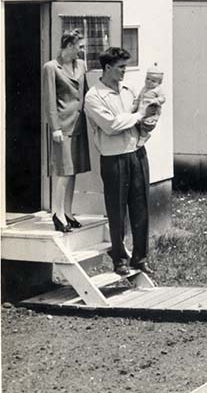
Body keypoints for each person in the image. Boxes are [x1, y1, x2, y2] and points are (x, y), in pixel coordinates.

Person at [84, 46, 156, 276]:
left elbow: (135, 120)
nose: (125, 71)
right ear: (107, 68)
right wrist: (138, 116)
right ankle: (120, 259)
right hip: (114, 158)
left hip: (137, 153)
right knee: (116, 209)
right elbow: (111, 126)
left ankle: (140, 258)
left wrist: (147, 121)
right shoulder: (94, 96)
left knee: (141, 207)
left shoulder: (128, 90)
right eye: (121, 67)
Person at [41, 30, 91, 232]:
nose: (82, 50)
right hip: (62, 127)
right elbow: (50, 100)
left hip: (79, 124)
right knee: (63, 171)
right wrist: (55, 127)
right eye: (79, 46)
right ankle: (57, 213)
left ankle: (68, 213)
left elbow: (85, 93)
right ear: (69, 45)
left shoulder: (81, 65)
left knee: (73, 171)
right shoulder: (51, 67)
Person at [135, 64, 166, 147]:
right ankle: (142, 135)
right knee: (138, 122)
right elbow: (140, 96)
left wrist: (155, 100)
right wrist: (136, 102)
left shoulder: (158, 89)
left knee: (147, 124)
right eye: (147, 79)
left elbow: (163, 98)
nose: (149, 81)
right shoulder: (144, 88)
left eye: (153, 81)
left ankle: (143, 137)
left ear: (159, 83)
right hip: (142, 107)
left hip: (152, 109)